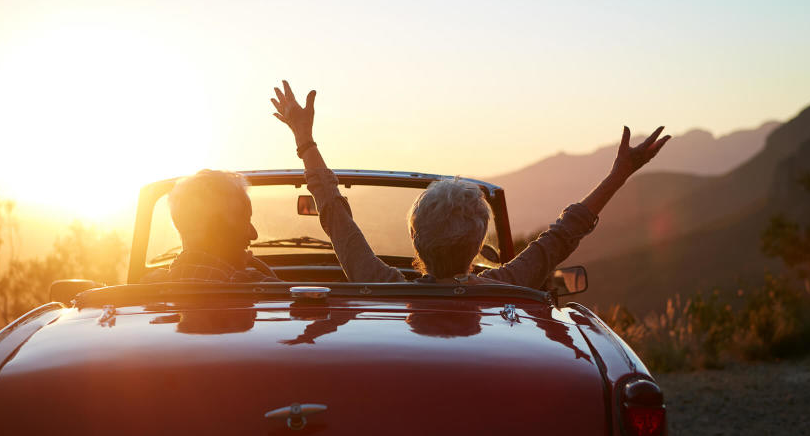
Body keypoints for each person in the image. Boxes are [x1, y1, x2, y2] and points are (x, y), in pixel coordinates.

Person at [271, 80, 670, 288]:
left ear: (415, 237)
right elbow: (566, 232)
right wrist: (619, 175)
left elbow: (334, 215)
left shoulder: (381, 285)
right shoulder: (504, 286)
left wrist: (304, 140)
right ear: (479, 245)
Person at [141, 169, 279, 283]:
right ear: (217, 232)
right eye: (244, 220)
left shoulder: (149, 290)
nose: (253, 234)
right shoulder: (255, 286)